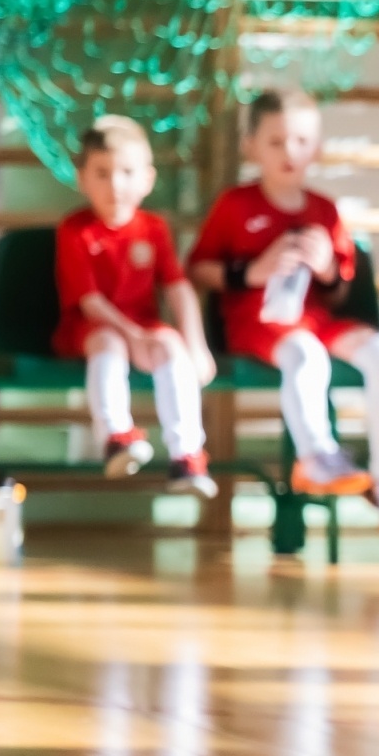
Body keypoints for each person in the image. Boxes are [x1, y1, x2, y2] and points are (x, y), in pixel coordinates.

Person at [188, 89, 379, 539]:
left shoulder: (325, 211)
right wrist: (251, 272)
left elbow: (340, 294)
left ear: (315, 146)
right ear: (250, 146)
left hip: (316, 320)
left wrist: (327, 269)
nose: (289, 152)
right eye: (275, 142)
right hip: (256, 322)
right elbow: (197, 270)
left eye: (299, 140)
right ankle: (315, 456)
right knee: (306, 354)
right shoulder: (234, 205)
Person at [54, 116, 217, 496]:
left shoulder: (154, 229)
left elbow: (178, 288)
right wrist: (133, 336)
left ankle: (188, 455)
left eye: (127, 172)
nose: (116, 184)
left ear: (147, 178)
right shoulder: (75, 230)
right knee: (108, 344)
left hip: (143, 326)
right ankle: (116, 436)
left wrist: (196, 345)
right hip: (91, 329)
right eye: (103, 173)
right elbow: (90, 304)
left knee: (172, 347)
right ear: (83, 179)